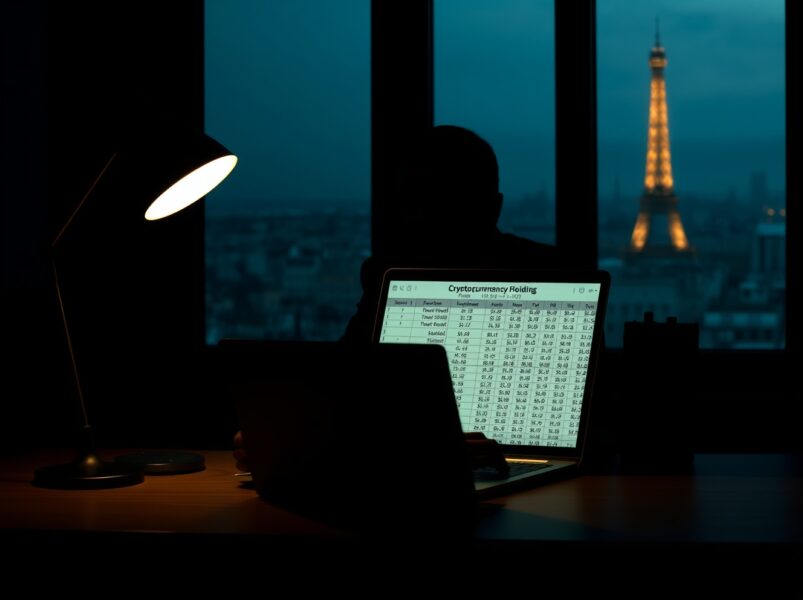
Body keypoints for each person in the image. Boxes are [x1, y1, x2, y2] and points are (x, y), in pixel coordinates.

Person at [233, 124, 572, 472]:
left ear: (490, 207)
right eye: (416, 201)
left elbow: (341, 386)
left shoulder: (390, 272)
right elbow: (340, 382)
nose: (422, 217)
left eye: (441, 200)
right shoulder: (553, 271)